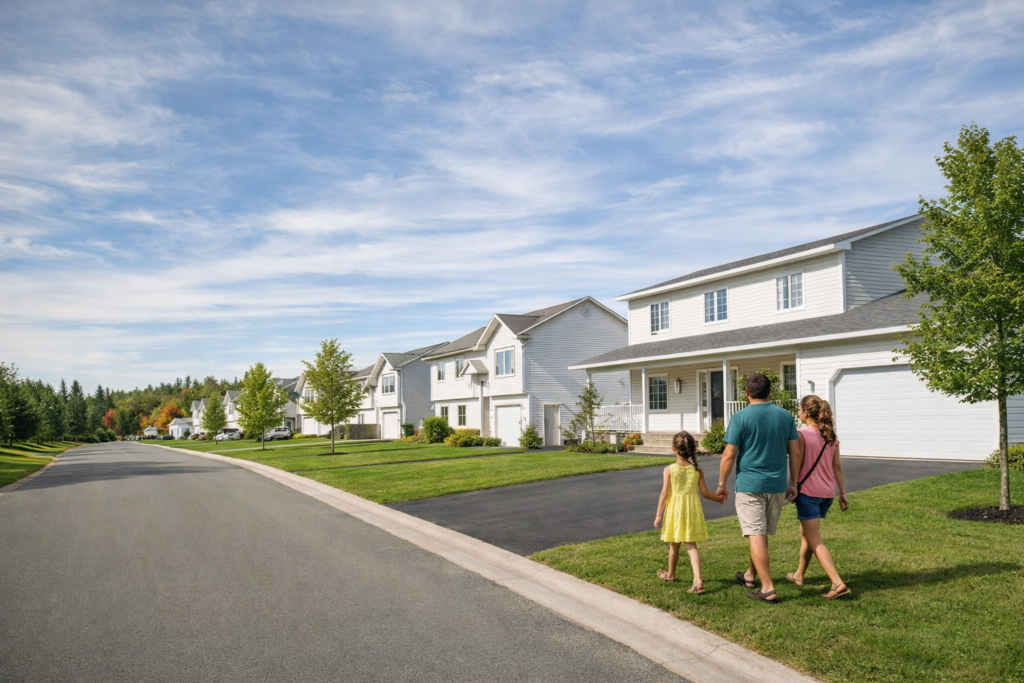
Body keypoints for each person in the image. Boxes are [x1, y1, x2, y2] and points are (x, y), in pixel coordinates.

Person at [717, 373, 801, 603]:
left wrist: (722, 484)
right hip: (776, 486)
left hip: (750, 486)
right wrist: (793, 482)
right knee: (761, 534)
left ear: (746, 393)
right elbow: (794, 452)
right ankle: (750, 575)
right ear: (770, 392)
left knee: (755, 534)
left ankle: (768, 588)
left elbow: (729, 455)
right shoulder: (785, 416)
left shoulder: (740, 417)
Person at [787, 395, 850, 599]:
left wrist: (793, 484)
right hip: (827, 494)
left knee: (815, 539)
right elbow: (837, 467)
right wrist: (843, 493)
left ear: (806, 413)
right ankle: (798, 575)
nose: (798, 413)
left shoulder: (801, 434)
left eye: (799, 410)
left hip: (808, 493)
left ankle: (837, 582)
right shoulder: (831, 436)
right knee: (806, 533)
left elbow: (797, 460)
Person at [654, 432, 725, 592]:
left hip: (675, 510)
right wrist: (718, 498)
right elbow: (705, 492)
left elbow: (664, 493)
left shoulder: (669, 470)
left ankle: (675, 576)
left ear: (673, 448)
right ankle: (690, 578)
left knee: (674, 545)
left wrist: (659, 514)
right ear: (693, 450)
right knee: (691, 546)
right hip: (692, 510)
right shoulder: (697, 470)